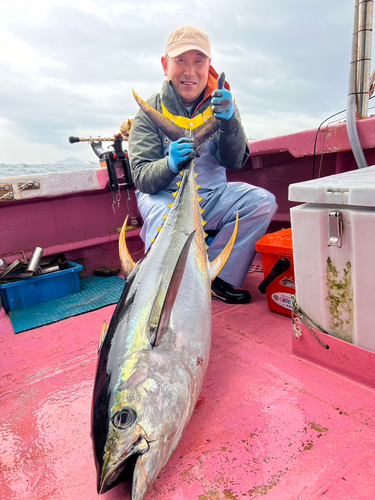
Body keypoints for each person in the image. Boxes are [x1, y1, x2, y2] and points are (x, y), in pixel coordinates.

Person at [128, 26, 277, 304]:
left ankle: (217, 277)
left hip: (211, 196)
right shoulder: (149, 112)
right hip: (163, 198)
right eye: (180, 61)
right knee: (162, 217)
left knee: (262, 202)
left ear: (209, 65)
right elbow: (143, 179)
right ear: (165, 65)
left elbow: (234, 161)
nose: (190, 71)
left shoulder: (222, 106)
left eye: (198, 61)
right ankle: (166, 290)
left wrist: (230, 121)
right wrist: (170, 164)